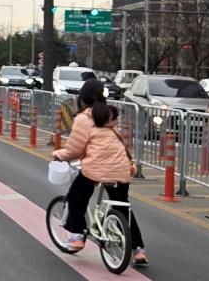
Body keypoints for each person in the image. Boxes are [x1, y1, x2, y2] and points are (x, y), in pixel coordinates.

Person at [52, 78, 147, 266]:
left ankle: (78, 235)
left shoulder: (82, 119)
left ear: (82, 98)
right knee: (122, 206)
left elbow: (75, 150)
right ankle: (138, 250)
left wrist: (59, 155)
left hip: (95, 168)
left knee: (76, 196)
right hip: (121, 167)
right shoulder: (109, 115)